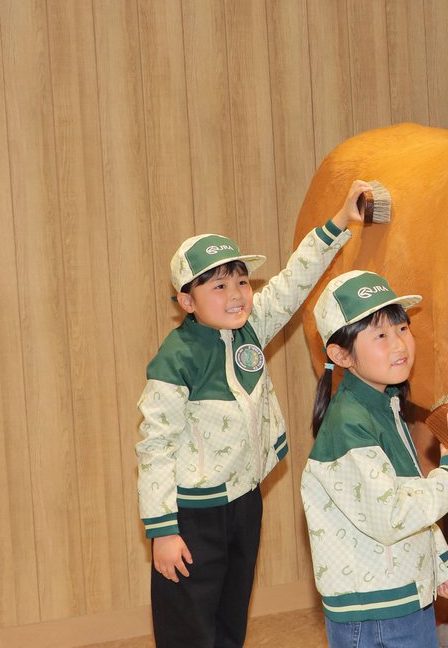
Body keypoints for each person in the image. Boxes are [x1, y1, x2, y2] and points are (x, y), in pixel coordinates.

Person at [135, 180, 372, 648]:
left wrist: (340, 221)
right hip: (192, 514)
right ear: (187, 302)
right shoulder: (175, 359)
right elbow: (155, 447)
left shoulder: (251, 327)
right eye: (218, 285)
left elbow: (293, 280)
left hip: (244, 502)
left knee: (230, 617)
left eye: (241, 281)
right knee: (190, 625)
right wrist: (162, 532)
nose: (237, 293)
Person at [303, 270, 448, 648]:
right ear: (341, 355)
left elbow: (407, 492)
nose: (400, 344)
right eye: (381, 336)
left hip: (401, 595)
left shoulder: (384, 405)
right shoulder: (349, 425)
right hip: (374, 613)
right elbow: (392, 516)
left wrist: (436, 561)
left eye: (402, 328)